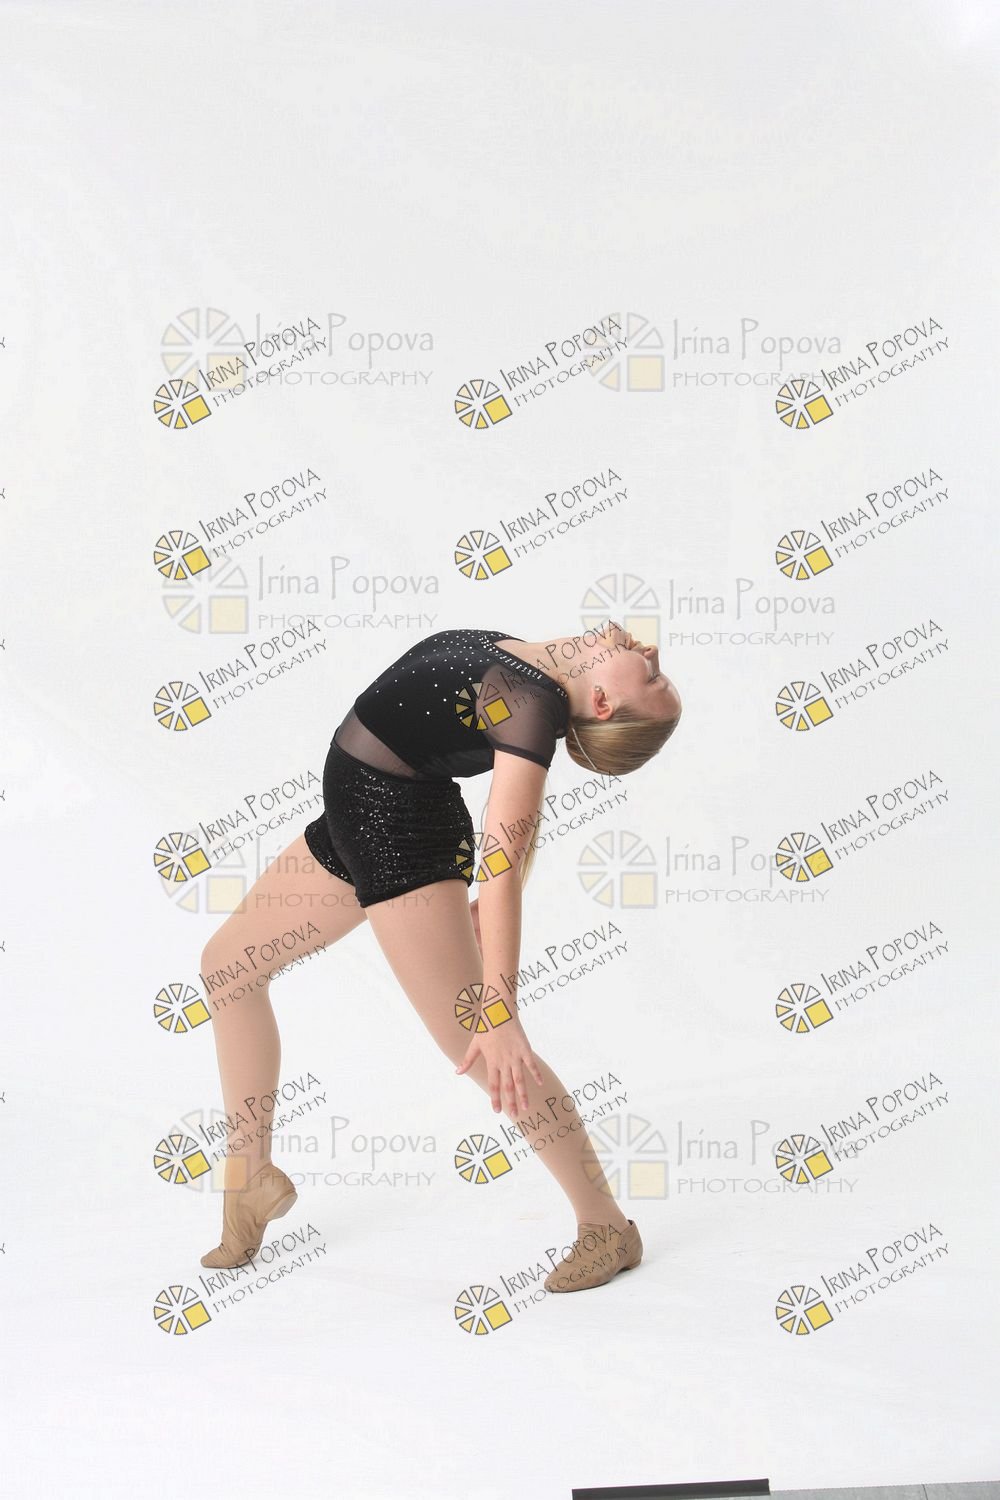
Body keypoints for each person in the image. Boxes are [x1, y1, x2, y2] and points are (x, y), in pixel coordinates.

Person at [197, 620, 682, 1292]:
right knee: (229, 969)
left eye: (652, 676)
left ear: (601, 702)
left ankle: (605, 1227)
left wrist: (500, 1008)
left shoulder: (530, 705)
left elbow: (503, 858)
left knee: (482, 1047)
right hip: (355, 820)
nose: (652, 653)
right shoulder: (532, 663)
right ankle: (249, 1176)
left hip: (401, 841)